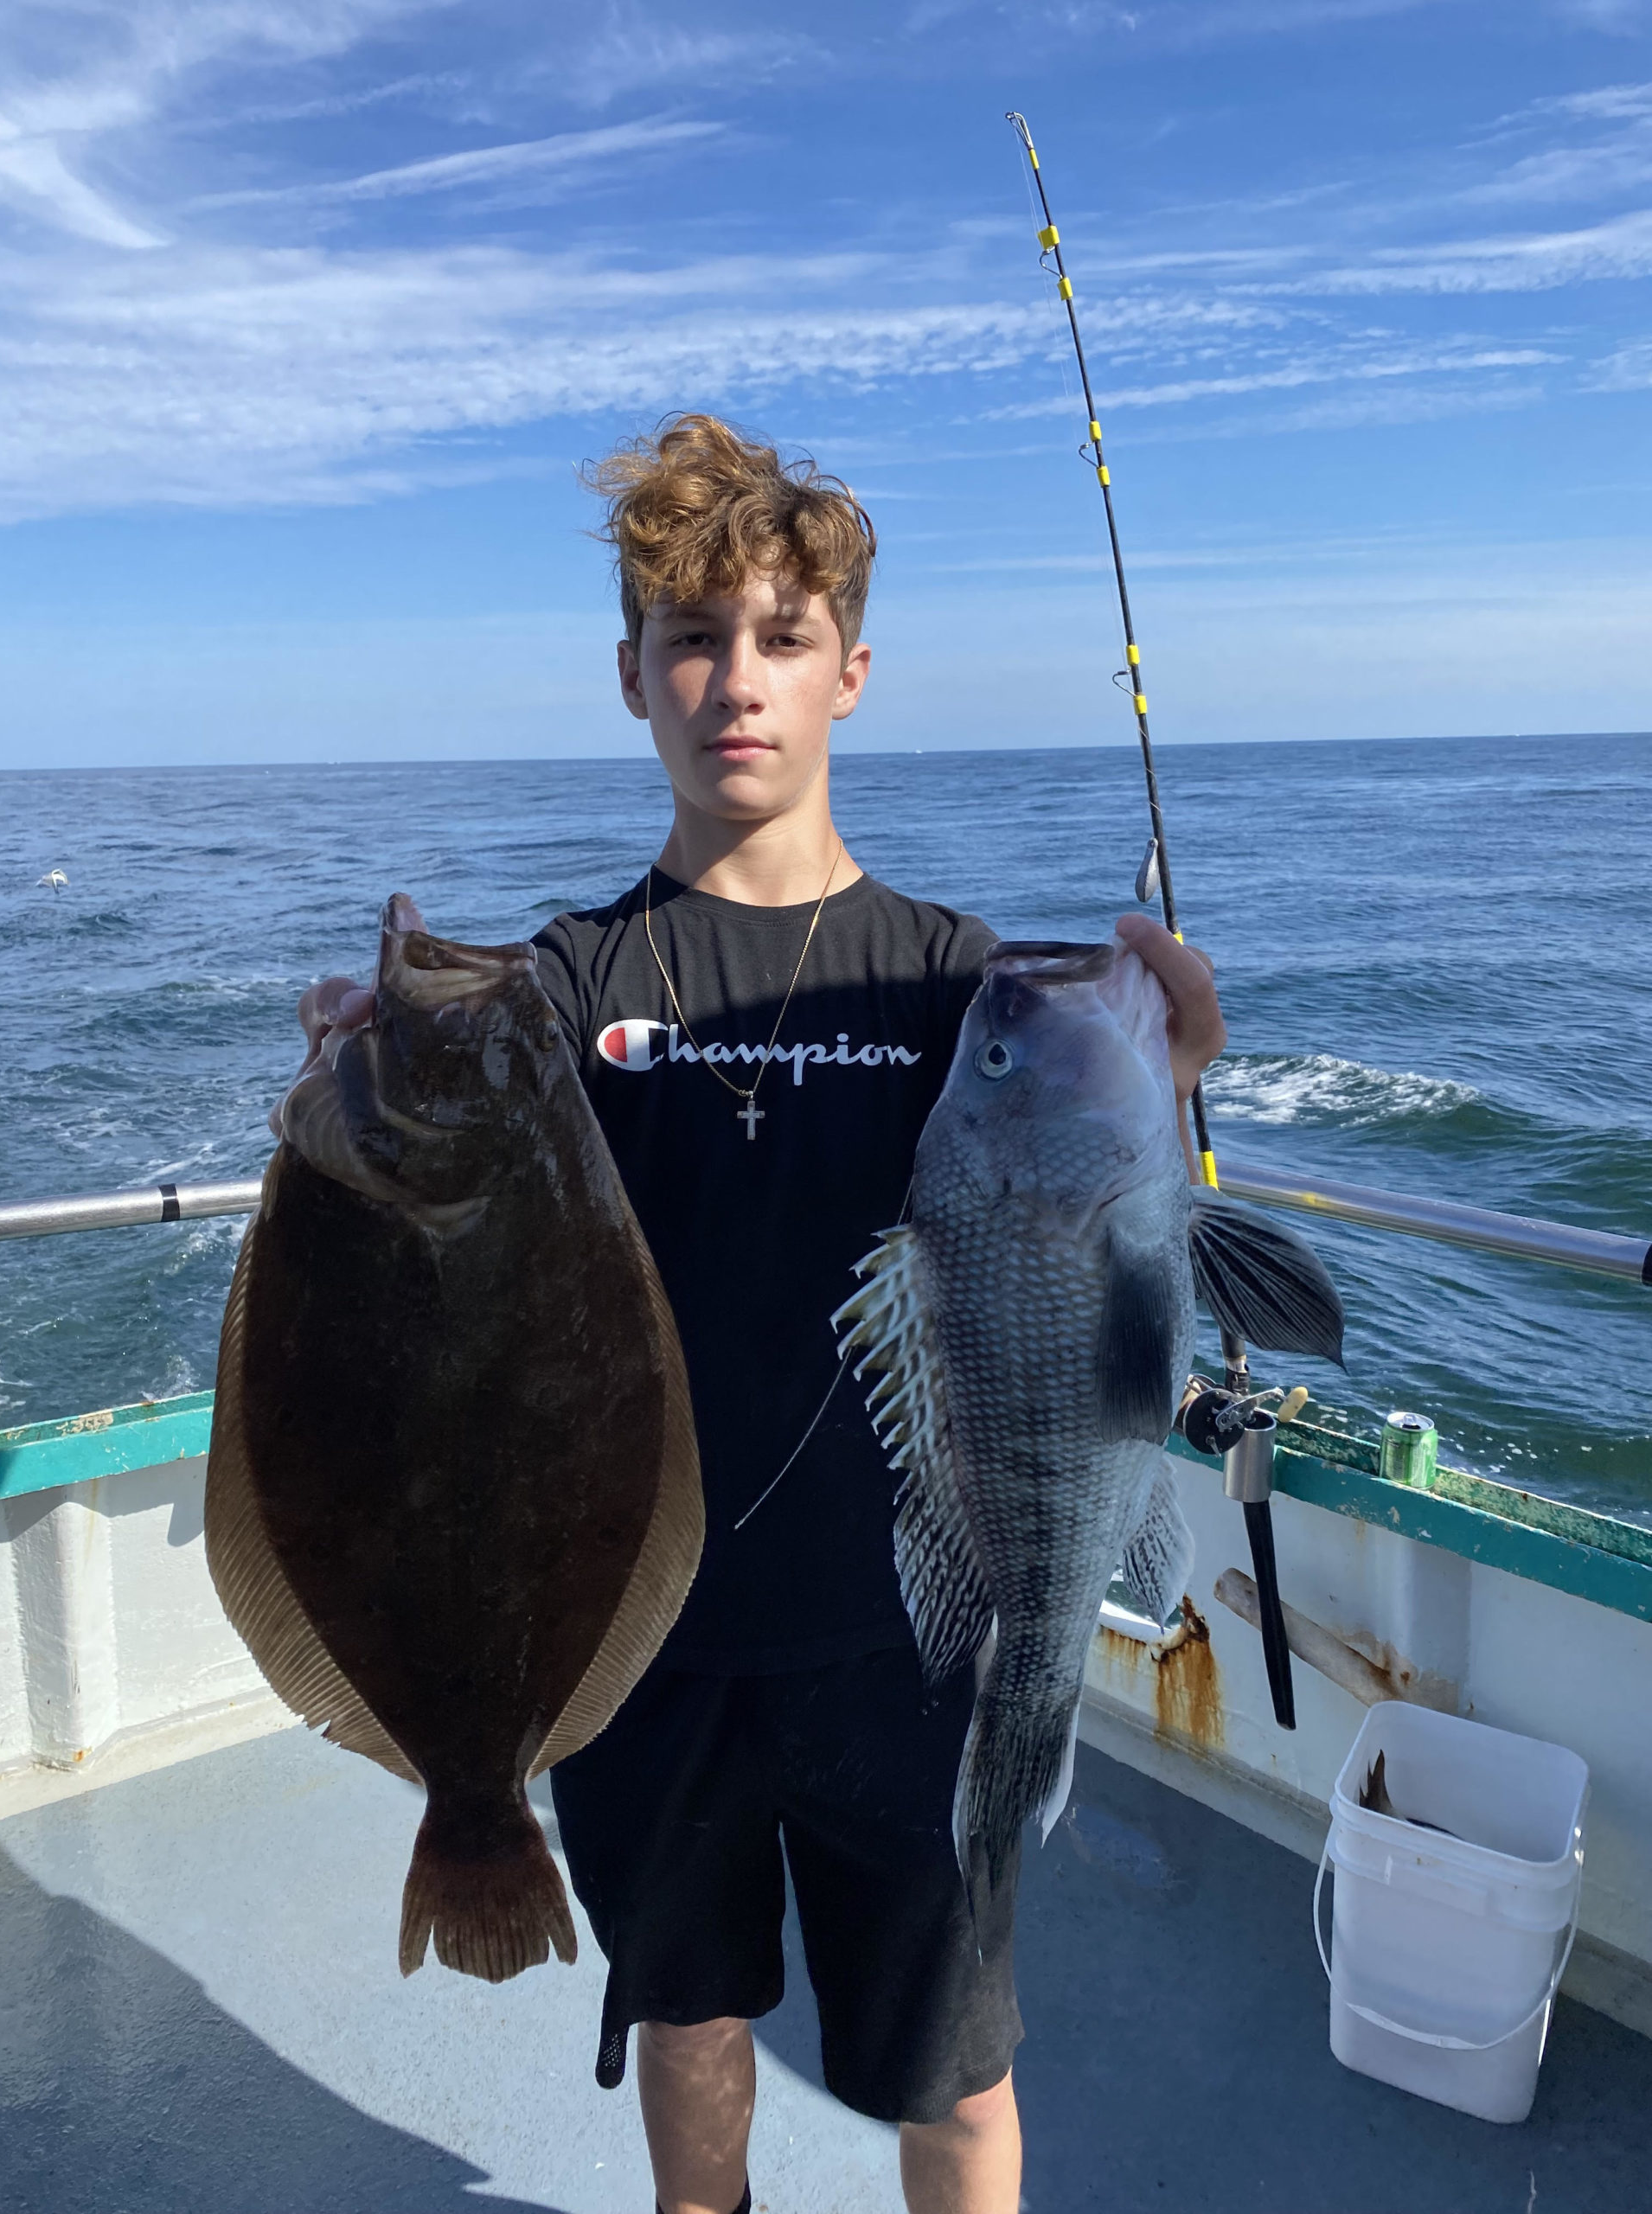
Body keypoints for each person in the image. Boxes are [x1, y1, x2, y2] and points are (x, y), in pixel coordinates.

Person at [295, 413, 1226, 2214]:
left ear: (851, 674)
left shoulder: (972, 982)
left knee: (953, 2075)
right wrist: (358, 1073)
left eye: (783, 638)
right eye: (695, 639)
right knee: (696, 2029)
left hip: (919, 1637)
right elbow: (432, 1220)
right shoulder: (560, 984)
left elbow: (1090, 1234)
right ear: (631, 675)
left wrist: (1169, 1075)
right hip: (640, 1638)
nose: (739, 682)